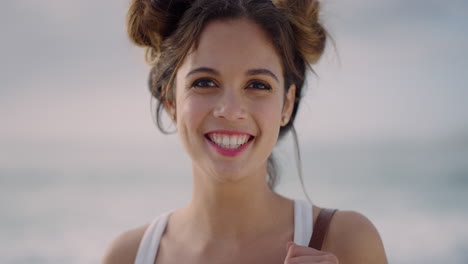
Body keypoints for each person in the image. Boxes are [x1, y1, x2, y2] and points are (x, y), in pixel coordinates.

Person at [103, 0, 388, 263]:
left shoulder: (346, 242)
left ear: (287, 104)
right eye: (204, 82)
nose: (230, 110)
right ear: (171, 101)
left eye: (258, 85)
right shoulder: (127, 256)